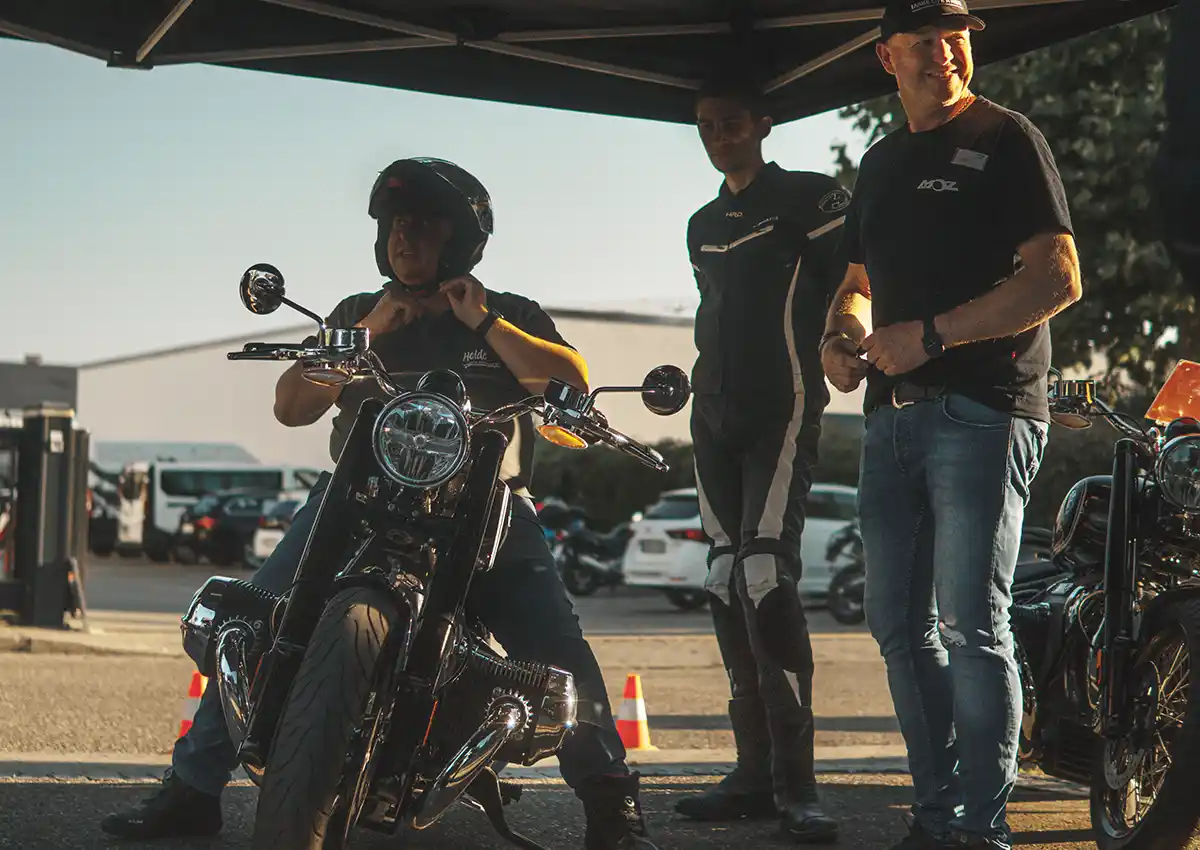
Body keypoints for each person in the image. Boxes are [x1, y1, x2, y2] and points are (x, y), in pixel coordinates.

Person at [100, 156, 658, 850]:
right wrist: (368, 331)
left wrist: (482, 319)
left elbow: (570, 387)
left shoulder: (511, 313)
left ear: (460, 238)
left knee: (556, 644)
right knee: (259, 615)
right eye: (395, 222)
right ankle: (191, 789)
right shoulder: (355, 314)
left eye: (422, 223)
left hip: (486, 503)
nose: (403, 235)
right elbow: (290, 407)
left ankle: (612, 805)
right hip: (356, 495)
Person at [820, 2, 1081, 848]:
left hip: (985, 410)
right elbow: (857, 284)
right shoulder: (881, 160)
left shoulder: (1008, 138)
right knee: (898, 627)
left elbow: (1058, 279)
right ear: (886, 57)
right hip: (890, 418)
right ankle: (937, 816)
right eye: (925, 41)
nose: (946, 53)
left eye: (957, 36)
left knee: (971, 623)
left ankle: (979, 826)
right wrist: (838, 337)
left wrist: (929, 336)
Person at [671, 73, 849, 844]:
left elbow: (856, 282)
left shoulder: (813, 198)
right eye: (707, 125)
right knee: (721, 575)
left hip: (784, 402)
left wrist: (847, 338)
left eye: (733, 122)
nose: (720, 136)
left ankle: (799, 790)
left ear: (764, 123)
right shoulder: (701, 223)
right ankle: (750, 776)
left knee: (764, 572)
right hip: (710, 410)